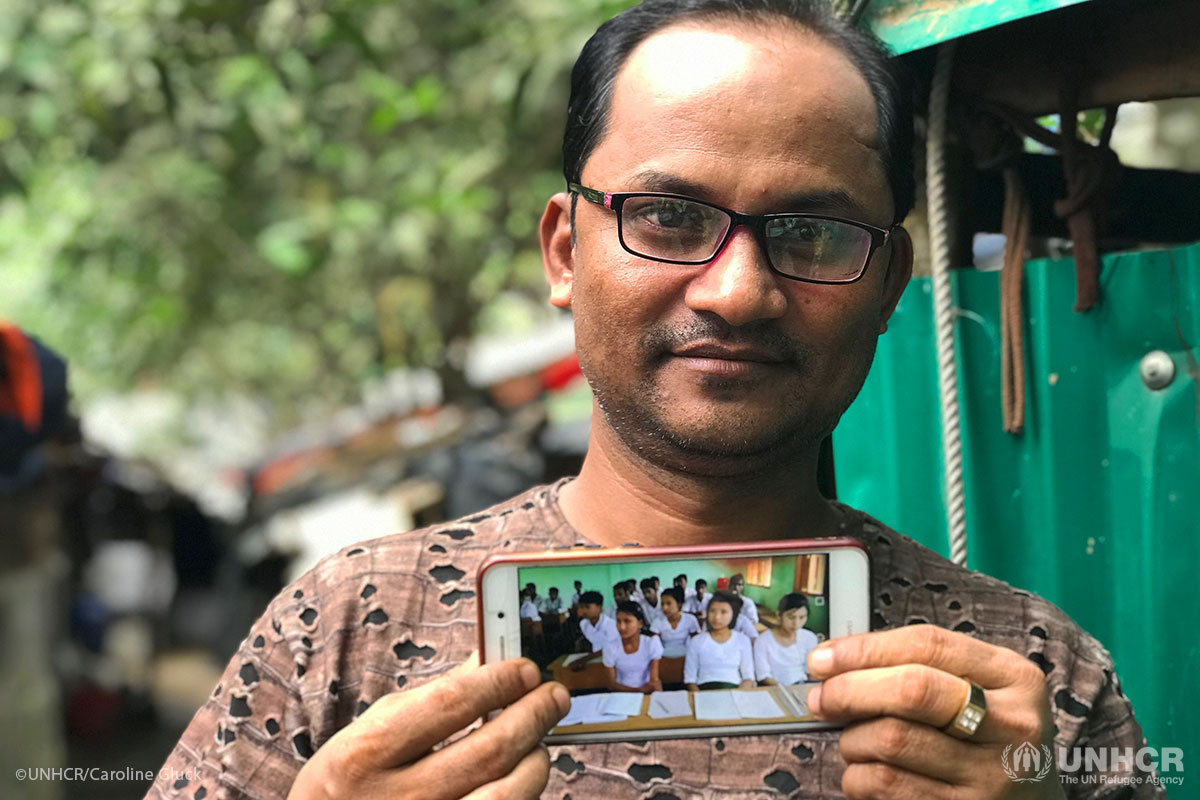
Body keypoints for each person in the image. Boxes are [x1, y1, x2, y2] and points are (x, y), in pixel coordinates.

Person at [146, 1, 1162, 797]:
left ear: (891, 285)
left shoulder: (1028, 679)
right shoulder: (349, 626)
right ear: (563, 249)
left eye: (814, 232)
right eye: (670, 217)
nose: (737, 289)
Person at [683, 590, 755, 690]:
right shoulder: (697, 641)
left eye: (723, 612)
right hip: (704, 692)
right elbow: (690, 679)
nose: (716, 617)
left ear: (733, 615)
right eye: (712, 611)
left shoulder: (743, 640)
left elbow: (748, 678)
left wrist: (737, 696)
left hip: (735, 691)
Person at [754, 593, 820, 686]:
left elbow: (811, 671)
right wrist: (784, 689)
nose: (796, 623)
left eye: (802, 617)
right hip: (776, 688)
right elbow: (763, 675)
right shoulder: (763, 641)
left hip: (802, 685)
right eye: (791, 617)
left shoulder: (809, 638)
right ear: (778, 616)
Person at [602, 601, 664, 693]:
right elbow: (612, 685)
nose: (622, 627)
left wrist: (645, 690)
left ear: (640, 623)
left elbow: (654, 681)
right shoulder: (610, 647)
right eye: (618, 621)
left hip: (648, 693)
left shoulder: (651, 643)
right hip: (622, 694)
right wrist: (639, 690)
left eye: (627, 621)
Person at [651, 586, 700, 657]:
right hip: (664, 658)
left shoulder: (690, 619)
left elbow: (697, 643)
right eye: (662, 604)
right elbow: (654, 646)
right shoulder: (657, 621)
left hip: (686, 657)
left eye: (668, 604)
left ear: (679, 603)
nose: (664, 608)